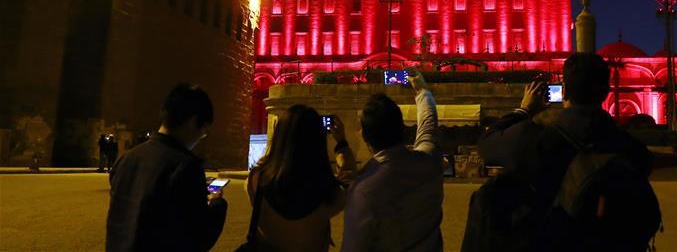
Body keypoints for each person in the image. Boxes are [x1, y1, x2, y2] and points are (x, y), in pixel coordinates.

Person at [463, 53, 658, 251]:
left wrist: (524, 111)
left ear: (564, 92)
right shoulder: (634, 150)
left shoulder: (532, 141)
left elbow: (486, 144)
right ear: (606, 92)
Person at [106, 84, 227, 252]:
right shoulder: (185, 166)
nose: (201, 137)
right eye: (204, 131)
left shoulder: (127, 158)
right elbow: (200, 237)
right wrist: (217, 203)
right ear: (193, 121)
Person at [341, 71, 443, 252]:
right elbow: (429, 127)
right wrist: (422, 91)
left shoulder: (364, 190)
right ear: (402, 128)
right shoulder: (429, 162)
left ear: (366, 138)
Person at [245, 105, 357, 252]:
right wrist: (341, 143)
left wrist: (280, 142)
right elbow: (348, 175)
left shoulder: (256, 180)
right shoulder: (327, 192)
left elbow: (274, 162)